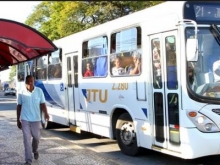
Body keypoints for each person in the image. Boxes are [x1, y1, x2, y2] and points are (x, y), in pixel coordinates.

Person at [17, 75, 49, 165]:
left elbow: (43, 104)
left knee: (36, 138)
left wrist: (46, 114)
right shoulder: (21, 92)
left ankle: (35, 150)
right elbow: (19, 106)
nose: (30, 83)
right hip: (25, 120)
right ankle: (28, 161)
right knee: (26, 140)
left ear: (34, 82)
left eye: (31, 81)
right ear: (25, 82)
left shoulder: (39, 91)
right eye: (28, 82)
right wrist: (17, 120)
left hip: (36, 119)